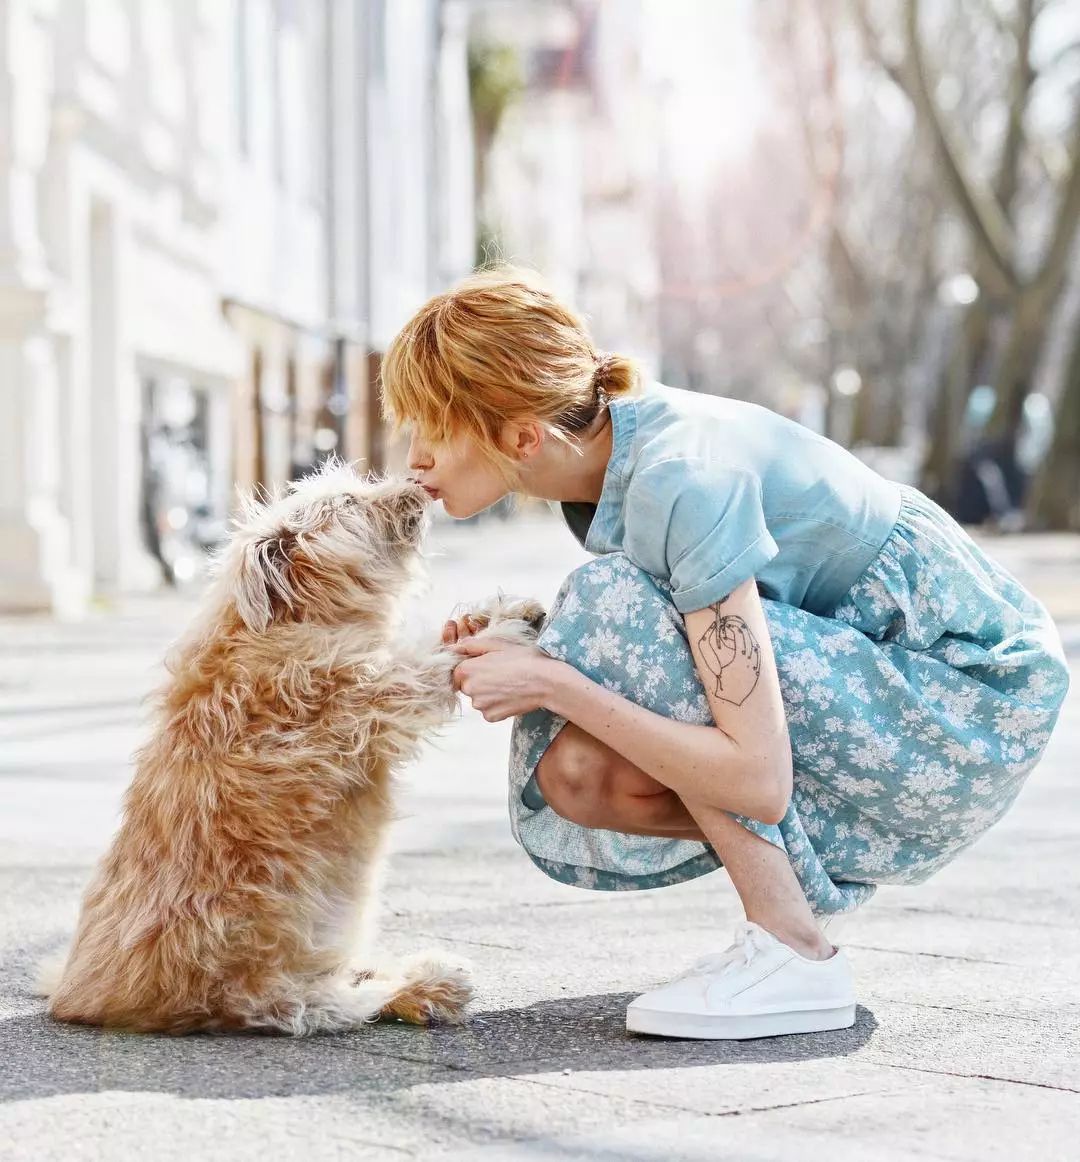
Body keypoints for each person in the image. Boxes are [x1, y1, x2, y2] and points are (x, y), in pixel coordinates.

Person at [379, 266, 1069, 1041]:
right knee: (578, 770)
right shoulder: (610, 470)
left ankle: (794, 949)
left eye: (432, 427)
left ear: (521, 435)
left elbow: (757, 781)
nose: (415, 459)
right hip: (903, 705)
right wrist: (533, 646)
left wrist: (552, 680)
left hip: (971, 707)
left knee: (608, 607)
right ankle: (788, 918)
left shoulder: (680, 478)